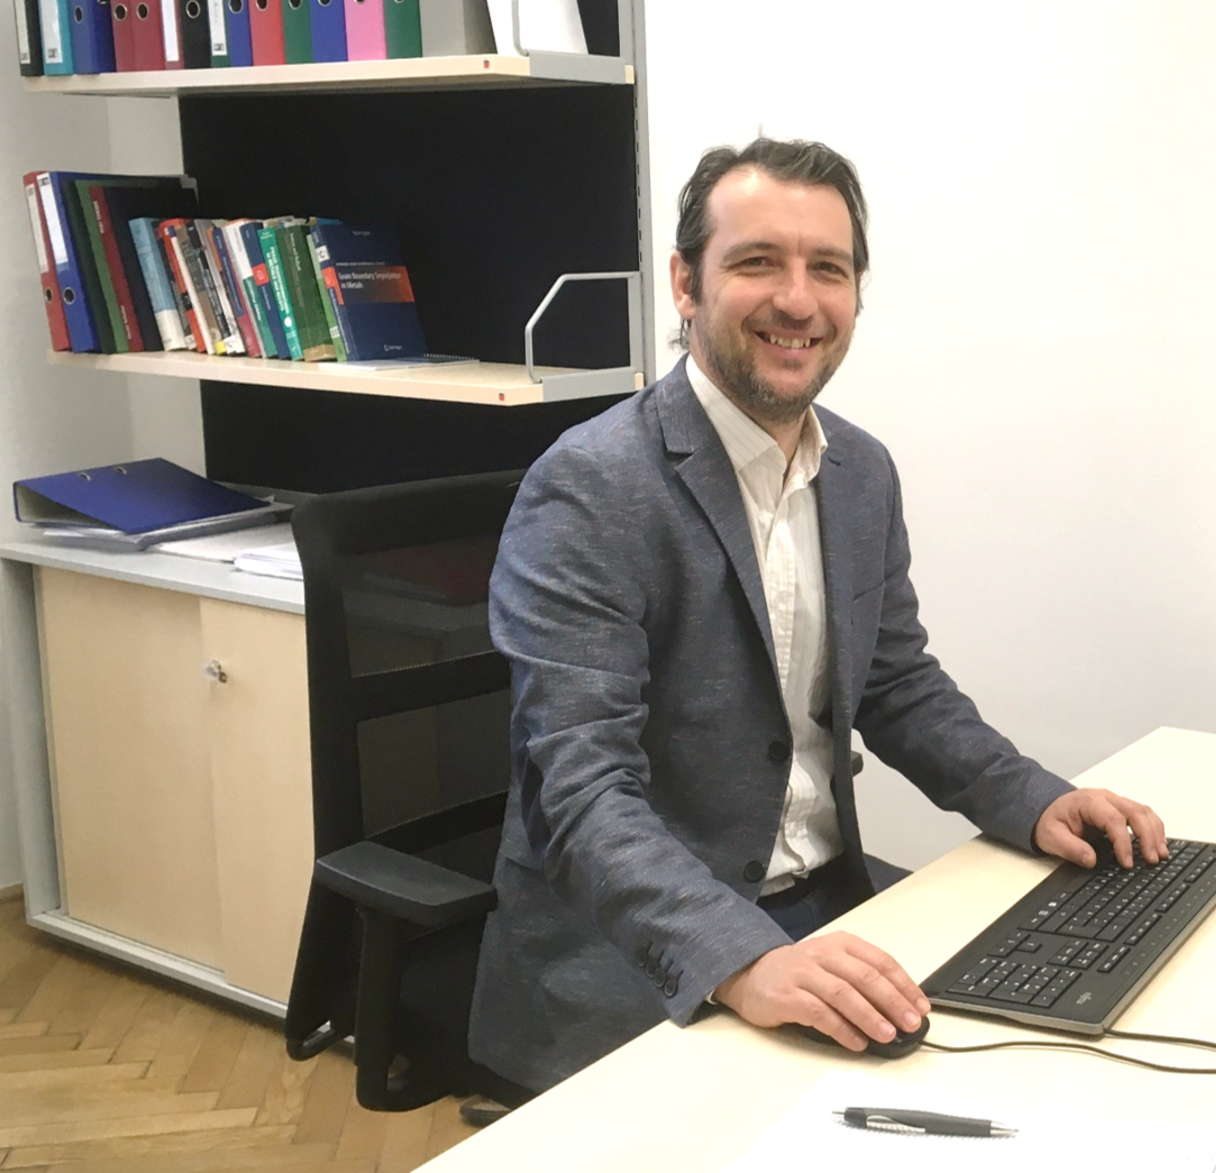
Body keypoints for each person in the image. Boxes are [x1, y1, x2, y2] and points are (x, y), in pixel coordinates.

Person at [468, 136, 1168, 1094]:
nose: (798, 301)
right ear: (685, 282)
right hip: (637, 954)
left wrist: (1036, 799)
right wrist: (741, 957)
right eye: (758, 261)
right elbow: (578, 790)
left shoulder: (860, 471)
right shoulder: (591, 487)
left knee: (1051, 1065)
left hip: (827, 905)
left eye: (828, 269)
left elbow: (898, 684)